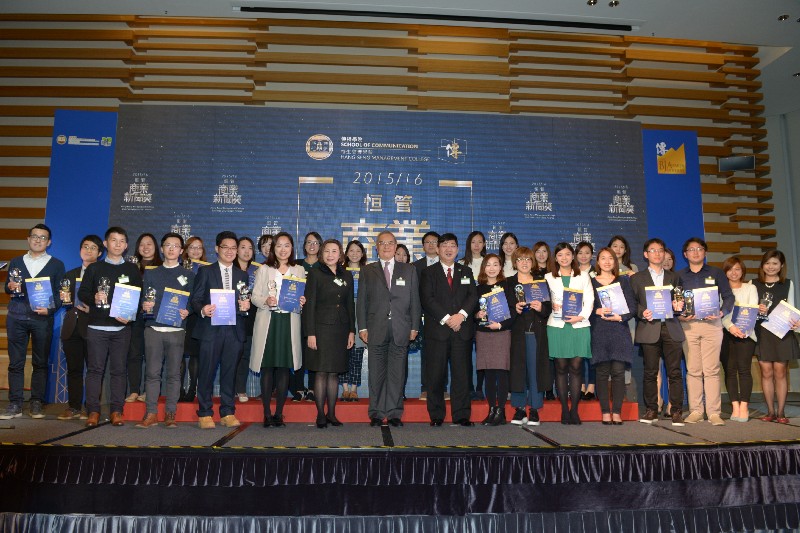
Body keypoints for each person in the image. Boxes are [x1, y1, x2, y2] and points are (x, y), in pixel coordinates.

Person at [78, 226, 143, 427]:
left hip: (121, 329)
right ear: (105, 244)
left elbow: (138, 298)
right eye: (113, 240)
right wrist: (94, 297)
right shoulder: (94, 268)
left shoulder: (132, 269)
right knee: (95, 371)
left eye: (122, 241)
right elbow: (83, 293)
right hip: (97, 327)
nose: (117, 244)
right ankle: (93, 411)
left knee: (118, 371)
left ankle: (117, 411)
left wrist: (130, 316)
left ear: (126, 245)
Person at [1, 223, 66, 420]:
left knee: (40, 363)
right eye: (35, 236)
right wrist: (11, 286)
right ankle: (15, 403)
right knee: (16, 363)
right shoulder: (16, 261)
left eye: (43, 237)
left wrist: (51, 309)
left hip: (42, 319)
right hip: (17, 317)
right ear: (28, 239)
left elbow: (60, 294)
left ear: (49, 242)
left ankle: (36, 402)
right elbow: (7, 288)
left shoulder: (56, 264)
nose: (38, 240)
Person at [357, 230, 421, 427]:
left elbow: (415, 301)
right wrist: (362, 328)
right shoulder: (368, 270)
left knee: (397, 374)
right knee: (376, 374)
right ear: (377, 248)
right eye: (382, 243)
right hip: (375, 328)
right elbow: (361, 302)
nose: (386, 246)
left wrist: (415, 326)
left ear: (396, 246)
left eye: (390, 243)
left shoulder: (408, 270)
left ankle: (394, 413)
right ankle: (376, 412)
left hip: (401, 328)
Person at [190, 231, 250, 429]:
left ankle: (227, 411)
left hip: (234, 331)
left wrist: (245, 307)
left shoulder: (242, 274)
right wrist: (202, 309)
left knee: (229, 373)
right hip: (210, 329)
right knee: (206, 372)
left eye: (234, 248)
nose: (231, 251)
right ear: (217, 249)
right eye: (226, 247)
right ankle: (205, 412)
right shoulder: (206, 271)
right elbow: (195, 299)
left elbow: (243, 301)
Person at [136, 233, 195, 428]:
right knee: (152, 373)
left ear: (181, 251)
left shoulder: (189, 275)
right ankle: (151, 413)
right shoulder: (151, 273)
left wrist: (189, 310)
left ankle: (171, 413)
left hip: (177, 330)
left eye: (175, 245)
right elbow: (144, 299)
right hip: (153, 328)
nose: (171, 249)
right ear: (161, 249)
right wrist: (145, 305)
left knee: (174, 374)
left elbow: (195, 301)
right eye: (167, 245)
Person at [420, 233, 477, 426]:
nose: (448, 249)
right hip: (438, 331)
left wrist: (461, 316)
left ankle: (461, 415)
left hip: (462, 330)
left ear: (458, 249)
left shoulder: (466, 272)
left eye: (452, 245)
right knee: (435, 376)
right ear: (437, 249)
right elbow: (427, 300)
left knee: (462, 375)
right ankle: (436, 415)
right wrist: (447, 319)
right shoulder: (429, 272)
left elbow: (472, 297)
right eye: (444, 245)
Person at [250, 232, 306, 428]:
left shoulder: (299, 270)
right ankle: (266, 413)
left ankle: (279, 413)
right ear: (273, 249)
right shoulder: (264, 269)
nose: (283, 249)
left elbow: (300, 298)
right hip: (269, 321)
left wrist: (301, 301)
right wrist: (265, 300)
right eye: (279, 246)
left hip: (288, 322)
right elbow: (254, 297)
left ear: (292, 248)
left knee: (283, 369)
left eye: (287, 246)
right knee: (267, 369)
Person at [629, 238, 686, 426]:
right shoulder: (637, 278)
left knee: (675, 372)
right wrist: (641, 312)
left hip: (670, 327)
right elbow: (632, 304)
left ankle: (676, 410)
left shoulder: (674, 277)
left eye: (660, 250)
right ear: (646, 255)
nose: (657, 254)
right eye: (653, 250)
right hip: (649, 328)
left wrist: (679, 304)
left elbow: (680, 297)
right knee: (650, 372)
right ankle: (652, 409)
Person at [677, 237, 734, 426]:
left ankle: (714, 412)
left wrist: (722, 311)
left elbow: (728, 297)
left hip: (712, 326)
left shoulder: (716, 273)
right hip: (689, 326)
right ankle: (695, 411)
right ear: (685, 254)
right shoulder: (679, 276)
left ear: (705, 252)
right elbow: (675, 301)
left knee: (711, 370)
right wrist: (680, 315)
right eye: (691, 249)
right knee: (693, 370)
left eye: (699, 249)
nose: (695, 252)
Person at [304, 239, 355, 428]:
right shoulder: (315, 273)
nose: (330, 254)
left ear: (340, 254)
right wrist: (310, 333)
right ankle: (320, 414)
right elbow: (310, 305)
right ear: (321, 254)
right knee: (321, 371)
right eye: (327, 251)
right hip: (321, 329)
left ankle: (332, 414)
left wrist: (352, 331)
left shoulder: (347, 275)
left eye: (334, 251)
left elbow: (350, 305)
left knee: (334, 373)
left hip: (341, 329)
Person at [545, 242, 594, 425]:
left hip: (579, 326)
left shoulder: (583, 276)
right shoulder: (548, 277)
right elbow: (543, 300)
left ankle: (575, 410)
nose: (564, 258)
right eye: (560, 255)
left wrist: (580, 317)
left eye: (567, 254)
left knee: (576, 368)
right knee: (560, 368)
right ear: (555, 258)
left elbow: (589, 299)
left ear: (573, 257)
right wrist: (551, 305)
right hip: (557, 326)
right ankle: (564, 410)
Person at [57, 235, 103, 421]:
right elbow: (64, 300)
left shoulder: (102, 275)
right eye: (85, 246)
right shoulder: (70, 274)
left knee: (94, 370)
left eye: (93, 248)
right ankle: (74, 407)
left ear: (100, 253)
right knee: (74, 370)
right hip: (72, 326)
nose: (88, 250)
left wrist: (92, 308)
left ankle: (91, 408)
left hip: (93, 326)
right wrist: (64, 299)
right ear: (80, 251)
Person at [590, 247, 636, 425]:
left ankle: (616, 411)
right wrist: (596, 310)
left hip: (619, 330)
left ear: (615, 262)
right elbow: (584, 308)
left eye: (611, 258)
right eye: (603, 258)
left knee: (618, 372)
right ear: (598, 261)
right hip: (599, 331)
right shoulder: (591, 282)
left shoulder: (623, 281)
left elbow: (632, 307)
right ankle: (604, 412)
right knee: (601, 373)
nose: (607, 261)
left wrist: (621, 317)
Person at [752, 250, 799, 424]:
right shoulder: (753, 283)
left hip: (782, 333)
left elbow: (792, 308)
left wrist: (796, 322)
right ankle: (770, 411)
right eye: (767, 263)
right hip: (762, 332)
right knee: (766, 372)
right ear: (762, 265)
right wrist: (756, 309)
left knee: (780, 372)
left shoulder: (788, 284)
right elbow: (749, 311)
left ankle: (781, 413)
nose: (771, 267)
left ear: (781, 266)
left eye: (775, 264)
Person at [507, 246, 551, 426]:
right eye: (520, 259)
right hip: (516, 334)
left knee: (535, 371)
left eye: (527, 259)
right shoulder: (508, 283)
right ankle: (518, 409)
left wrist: (542, 308)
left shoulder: (540, 282)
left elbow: (548, 307)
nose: (524, 263)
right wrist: (514, 310)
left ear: (532, 262)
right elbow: (502, 310)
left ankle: (534, 409)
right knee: (517, 371)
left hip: (535, 334)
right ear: (514, 262)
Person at [474, 254, 516, 425]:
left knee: (502, 372)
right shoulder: (478, 289)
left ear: (500, 267)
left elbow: (513, 312)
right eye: (488, 265)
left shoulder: (507, 286)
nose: (491, 268)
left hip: (501, 333)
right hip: (483, 334)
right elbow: (472, 313)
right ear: (484, 268)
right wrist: (478, 314)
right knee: (489, 373)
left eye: (495, 264)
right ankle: (492, 410)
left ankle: (502, 411)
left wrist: (500, 325)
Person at [720, 256, 758, 423]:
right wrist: (731, 327)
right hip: (725, 333)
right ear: (725, 272)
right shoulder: (720, 289)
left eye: (737, 269)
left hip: (746, 333)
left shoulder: (751, 288)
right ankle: (735, 405)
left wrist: (741, 328)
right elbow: (720, 312)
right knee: (729, 370)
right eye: (730, 269)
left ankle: (744, 405)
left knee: (744, 370)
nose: (733, 272)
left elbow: (752, 310)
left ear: (742, 271)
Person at [126, 233, 163, 404]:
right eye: (142, 244)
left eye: (149, 244)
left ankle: (149, 391)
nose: (146, 247)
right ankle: (134, 390)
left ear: (156, 248)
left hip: (154, 317)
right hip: (133, 317)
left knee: (152, 356)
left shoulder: (162, 268)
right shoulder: (130, 267)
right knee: (134, 354)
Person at [292, 231, 323, 402]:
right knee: (297, 350)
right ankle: (298, 388)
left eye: (316, 242)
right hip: (297, 314)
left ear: (320, 246)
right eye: (309, 242)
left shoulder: (324, 266)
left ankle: (312, 388)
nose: (312, 245)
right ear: (304, 246)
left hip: (317, 316)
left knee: (313, 351)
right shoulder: (296, 265)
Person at [412, 230, 439, 401]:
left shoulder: (447, 264)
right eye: (427, 242)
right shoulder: (416, 266)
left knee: (443, 353)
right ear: (423, 246)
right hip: (423, 316)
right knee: (426, 354)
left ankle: (441, 388)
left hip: (443, 317)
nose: (431, 245)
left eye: (434, 242)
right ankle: (425, 388)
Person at [460, 231, 487, 401]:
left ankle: (480, 388)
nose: (476, 245)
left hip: (486, 313)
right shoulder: (462, 264)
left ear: (484, 244)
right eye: (473, 242)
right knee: (465, 354)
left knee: (484, 353)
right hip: (467, 315)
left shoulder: (490, 261)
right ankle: (468, 387)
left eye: (480, 242)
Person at [179, 236, 206, 402]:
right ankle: (179, 389)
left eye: (199, 248)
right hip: (180, 315)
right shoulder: (178, 268)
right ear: (186, 250)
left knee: (195, 356)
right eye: (192, 247)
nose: (195, 251)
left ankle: (192, 390)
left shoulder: (207, 269)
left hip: (197, 317)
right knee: (179, 355)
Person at [233, 236, 258, 403]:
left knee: (245, 354)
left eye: (250, 248)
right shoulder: (229, 270)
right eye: (243, 247)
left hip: (251, 317)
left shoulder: (257, 271)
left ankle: (240, 389)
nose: (247, 251)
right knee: (231, 355)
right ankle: (229, 388)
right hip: (232, 316)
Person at [341, 240, 367, 402]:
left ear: (363, 254)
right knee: (343, 353)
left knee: (357, 354)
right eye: (352, 250)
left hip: (362, 313)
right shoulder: (340, 271)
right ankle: (344, 389)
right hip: (343, 312)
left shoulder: (368, 271)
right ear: (346, 253)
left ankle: (354, 389)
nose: (355, 253)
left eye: (358, 251)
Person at [575, 241, 596, 401]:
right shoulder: (571, 273)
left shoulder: (598, 272)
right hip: (576, 318)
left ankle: (592, 386)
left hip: (594, 318)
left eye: (587, 252)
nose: (583, 256)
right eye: (580, 252)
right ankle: (580, 385)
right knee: (579, 353)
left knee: (592, 354)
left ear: (592, 255)